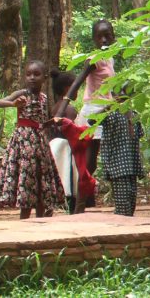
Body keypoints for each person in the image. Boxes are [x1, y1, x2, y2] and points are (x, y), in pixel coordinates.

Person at [56, 19, 116, 205]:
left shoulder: (111, 58)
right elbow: (77, 83)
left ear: (114, 37)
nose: (104, 40)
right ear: (94, 39)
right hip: (93, 113)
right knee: (89, 162)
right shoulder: (93, 60)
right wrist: (61, 110)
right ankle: (80, 203)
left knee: (97, 161)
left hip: (108, 111)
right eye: (100, 37)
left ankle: (88, 199)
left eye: (107, 36)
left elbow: (111, 87)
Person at [0, 60, 65, 219]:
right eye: (28, 74)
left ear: (44, 77)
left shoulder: (44, 98)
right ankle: (24, 219)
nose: (32, 77)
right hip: (23, 142)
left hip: (39, 143)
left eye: (36, 74)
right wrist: (13, 104)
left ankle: (41, 219)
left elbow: (41, 121)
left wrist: (53, 122)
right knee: (25, 178)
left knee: (41, 179)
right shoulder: (22, 94)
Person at [50, 70, 95, 214]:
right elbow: (72, 131)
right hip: (68, 150)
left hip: (56, 148)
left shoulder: (55, 107)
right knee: (71, 181)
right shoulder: (68, 109)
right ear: (66, 89)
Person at [99, 89, 143, 216]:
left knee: (131, 201)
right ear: (113, 96)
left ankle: (127, 229)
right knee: (123, 206)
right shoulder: (110, 115)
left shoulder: (135, 115)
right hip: (117, 165)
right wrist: (109, 106)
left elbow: (138, 136)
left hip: (132, 165)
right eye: (118, 93)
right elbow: (92, 121)